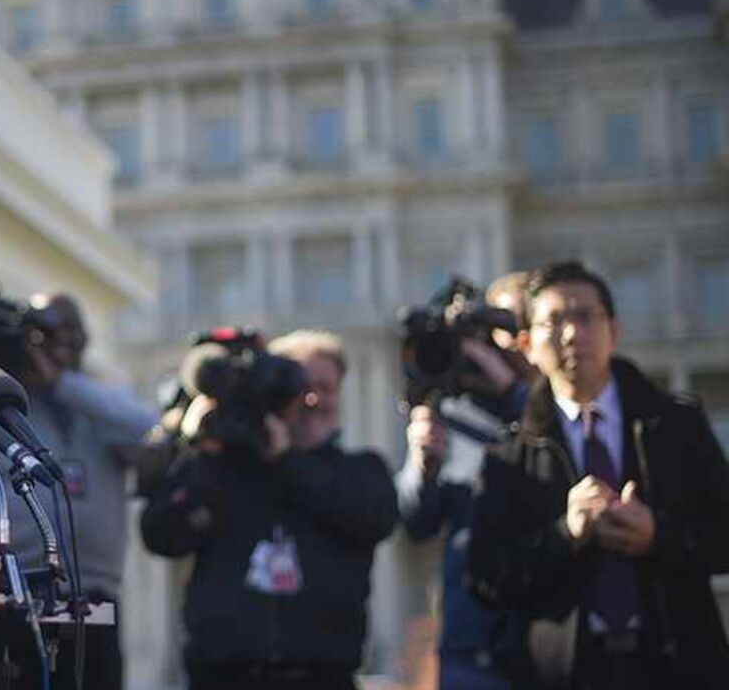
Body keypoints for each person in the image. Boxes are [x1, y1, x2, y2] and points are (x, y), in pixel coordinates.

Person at [468, 260, 729, 689]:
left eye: (585, 316)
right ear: (527, 344)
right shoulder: (509, 455)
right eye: (554, 320)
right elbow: (486, 578)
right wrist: (564, 534)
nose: (572, 333)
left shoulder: (675, 425)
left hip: (677, 662)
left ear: (614, 330)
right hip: (563, 673)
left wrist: (657, 535)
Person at [141, 329, 398, 690]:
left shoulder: (362, 470)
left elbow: (375, 519)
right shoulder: (225, 468)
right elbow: (160, 535)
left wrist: (284, 459)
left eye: (326, 388)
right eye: (300, 386)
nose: (312, 399)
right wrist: (206, 451)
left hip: (323, 677)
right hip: (222, 677)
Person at [0, 291, 158, 690]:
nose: (63, 342)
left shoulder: (96, 398)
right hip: (2, 596)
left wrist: (61, 383)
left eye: (72, 330)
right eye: (51, 333)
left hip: (89, 598)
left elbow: (148, 431)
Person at [397, 272, 537, 690]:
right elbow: (417, 521)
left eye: (504, 332)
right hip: (471, 642)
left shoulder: (556, 404)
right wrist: (425, 466)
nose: (496, 348)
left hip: (548, 632)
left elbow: (558, 446)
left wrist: (512, 390)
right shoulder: (451, 412)